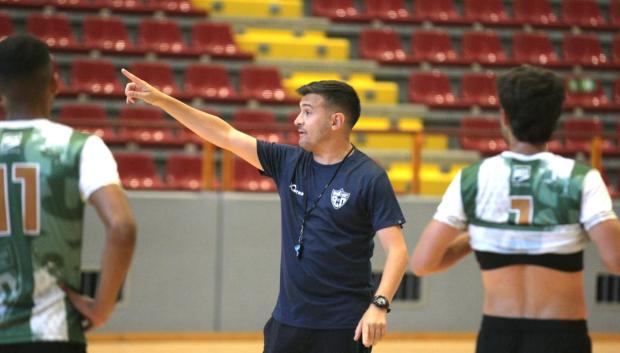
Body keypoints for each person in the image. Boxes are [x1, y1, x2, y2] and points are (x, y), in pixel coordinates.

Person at [122, 69, 408, 352]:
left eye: (307, 112)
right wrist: (161, 100)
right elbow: (224, 134)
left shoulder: (369, 177)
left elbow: (397, 251)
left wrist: (379, 305)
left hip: (344, 326)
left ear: (335, 121)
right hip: (288, 321)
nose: (297, 120)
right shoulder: (288, 162)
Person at [410, 64, 620, 353]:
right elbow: (616, 260)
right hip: (562, 336)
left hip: (498, 336)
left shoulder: (473, 178)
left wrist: (474, 238)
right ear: (555, 118)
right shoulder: (581, 178)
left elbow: (423, 264)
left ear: (504, 117)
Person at [0, 34, 137, 353]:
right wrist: (101, 308)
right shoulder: (80, 147)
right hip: (54, 333)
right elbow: (122, 228)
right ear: (55, 83)